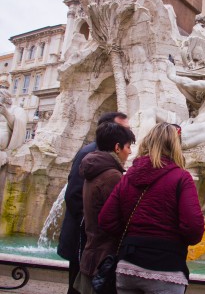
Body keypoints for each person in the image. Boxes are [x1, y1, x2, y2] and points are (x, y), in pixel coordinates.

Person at [98, 122, 205, 294]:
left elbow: (105, 219)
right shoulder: (182, 177)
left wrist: (133, 236)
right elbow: (194, 229)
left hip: (128, 265)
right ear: (176, 146)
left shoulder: (129, 175)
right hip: (166, 267)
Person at [57, 112, 129, 294]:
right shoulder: (91, 153)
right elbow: (73, 195)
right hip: (83, 237)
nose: (127, 132)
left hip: (88, 239)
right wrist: (93, 224)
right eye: (123, 128)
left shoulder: (98, 155)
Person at [73, 121, 136, 293]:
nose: (130, 151)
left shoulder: (95, 170)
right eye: (128, 146)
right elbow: (119, 220)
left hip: (91, 256)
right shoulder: (112, 176)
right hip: (104, 261)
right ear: (117, 147)